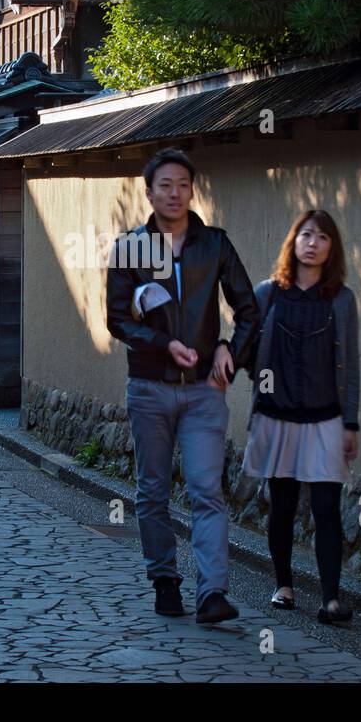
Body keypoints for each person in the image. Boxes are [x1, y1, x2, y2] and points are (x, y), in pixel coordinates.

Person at [106, 148, 260, 623]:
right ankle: (165, 578)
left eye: (183, 185)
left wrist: (230, 350)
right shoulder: (131, 247)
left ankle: (212, 591)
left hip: (202, 391)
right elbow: (115, 320)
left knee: (205, 490)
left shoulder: (214, 244)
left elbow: (250, 310)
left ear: (192, 190)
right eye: (165, 185)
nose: (175, 193)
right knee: (152, 490)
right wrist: (161, 344)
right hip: (149, 387)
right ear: (149, 192)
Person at [242, 209, 360, 625]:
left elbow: (351, 364)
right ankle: (284, 585)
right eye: (306, 234)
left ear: (332, 248)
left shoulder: (342, 300)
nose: (313, 242)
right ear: (293, 242)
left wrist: (351, 423)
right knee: (283, 505)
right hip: (276, 417)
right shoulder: (267, 294)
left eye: (323, 237)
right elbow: (245, 345)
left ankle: (330, 600)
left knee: (326, 508)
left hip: (325, 418)